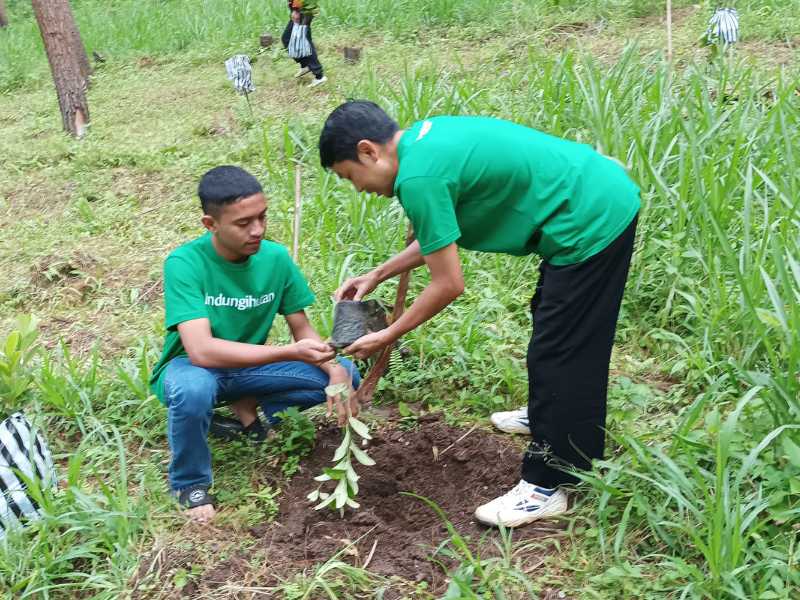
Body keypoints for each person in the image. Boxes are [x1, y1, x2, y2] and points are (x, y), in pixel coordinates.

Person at [319, 101, 639, 528]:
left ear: (367, 152)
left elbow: (448, 283)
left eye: (349, 176)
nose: (358, 188)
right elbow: (441, 235)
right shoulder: (422, 143)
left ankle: (548, 484)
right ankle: (551, 417)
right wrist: (378, 273)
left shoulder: (418, 178)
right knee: (553, 326)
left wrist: (387, 334)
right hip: (588, 194)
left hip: (591, 218)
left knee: (563, 350)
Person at [148, 165, 359, 522]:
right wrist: (288, 352)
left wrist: (334, 370)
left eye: (262, 217)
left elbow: (301, 328)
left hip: (250, 368)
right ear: (210, 224)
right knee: (195, 390)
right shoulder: (185, 263)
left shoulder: (274, 258)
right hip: (194, 369)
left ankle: (248, 410)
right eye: (243, 223)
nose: (257, 230)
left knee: (347, 375)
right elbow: (201, 350)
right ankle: (190, 483)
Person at [281, 0, 327, 87]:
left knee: (290, 39)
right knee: (299, 39)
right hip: (302, 8)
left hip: (303, 8)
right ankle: (306, 65)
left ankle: (319, 76)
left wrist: (296, 10)